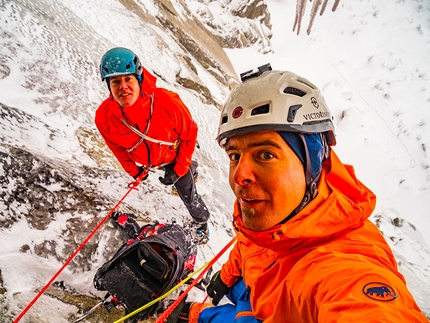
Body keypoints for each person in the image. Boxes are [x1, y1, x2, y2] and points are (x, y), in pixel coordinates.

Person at [173, 64, 429, 322]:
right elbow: (250, 244)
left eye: (266, 154)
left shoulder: (341, 267)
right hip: (256, 286)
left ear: (313, 163)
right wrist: (227, 276)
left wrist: (199, 317)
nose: (240, 175)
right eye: (234, 155)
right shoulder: (274, 210)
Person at [95, 47, 210, 243]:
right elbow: (117, 148)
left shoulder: (167, 102)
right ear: (109, 86)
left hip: (173, 156)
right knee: (184, 176)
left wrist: (180, 168)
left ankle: (202, 223)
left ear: (139, 78)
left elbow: (189, 135)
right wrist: (134, 171)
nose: (122, 86)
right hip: (152, 160)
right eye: (115, 81)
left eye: (128, 79)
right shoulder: (105, 117)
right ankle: (190, 168)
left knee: (188, 194)